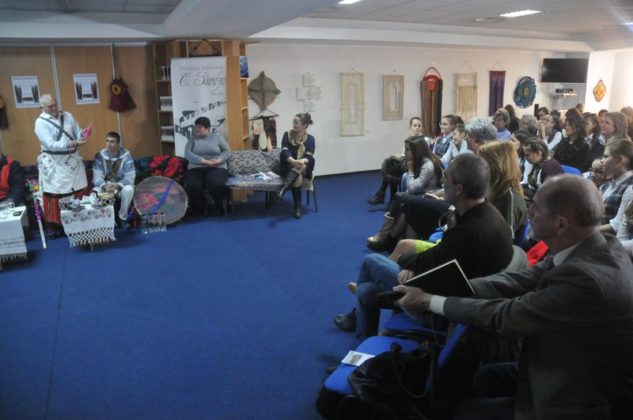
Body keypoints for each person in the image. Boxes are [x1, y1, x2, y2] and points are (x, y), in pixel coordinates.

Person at [395, 175, 633, 420]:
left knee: (465, 412)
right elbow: (521, 279)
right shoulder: (597, 245)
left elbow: (506, 316)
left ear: (561, 224)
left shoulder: (585, 280)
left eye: (536, 207)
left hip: (580, 399)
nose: (529, 211)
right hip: (565, 364)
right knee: (484, 377)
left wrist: (430, 301)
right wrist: (445, 286)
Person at [334, 154, 513, 338]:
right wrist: (414, 266)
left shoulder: (469, 231)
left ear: (459, 189)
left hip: (443, 311)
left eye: (446, 177)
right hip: (455, 296)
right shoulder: (486, 213)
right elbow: (438, 259)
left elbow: (433, 260)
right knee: (366, 291)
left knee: (370, 262)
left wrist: (406, 262)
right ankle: (364, 345)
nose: (442, 181)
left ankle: (361, 325)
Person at [366, 136, 442, 252]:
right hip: (422, 195)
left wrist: (410, 171)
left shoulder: (427, 165)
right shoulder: (419, 161)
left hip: (431, 197)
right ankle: (390, 239)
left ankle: (386, 237)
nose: (405, 152)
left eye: (407, 149)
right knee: (404, 205)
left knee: (401, 199)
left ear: (416, 151)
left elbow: (412, 188)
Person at [34, 93, 91, 236]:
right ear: (42, 107)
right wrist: (73, 143)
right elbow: (50, 144)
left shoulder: (68, 116)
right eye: (50, 106)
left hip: (73, 160)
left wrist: (82, 135)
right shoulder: (40, 123)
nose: (54, 108)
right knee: (57, 193)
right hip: (55, 163)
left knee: (79, 189)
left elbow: (77, 132)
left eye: (55, 104)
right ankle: (59, 228)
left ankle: (80, 222)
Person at [367, 117, 423, 205]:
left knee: (391, 168)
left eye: (419, 126)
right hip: (406, 162)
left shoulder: (423, 140)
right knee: (390, 164)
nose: (417, 128)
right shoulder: (409, 138)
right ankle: (390, 197)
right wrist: (399, 156)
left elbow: (419, 157)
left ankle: (384, 195)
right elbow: (404, 154)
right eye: (415, 125)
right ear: (410, 127)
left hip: (415, 165)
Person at [184, 116, 231, 217]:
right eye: (196, 126)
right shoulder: (192, 138)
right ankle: (202, 206)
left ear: (208, 128)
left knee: (216, 183)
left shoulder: (217, 137)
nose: (196, 129)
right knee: (192, 185)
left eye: (199, 127)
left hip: (216, 166)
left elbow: (227, 152)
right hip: (196, 167)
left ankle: (219, 206)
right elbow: (188, 153)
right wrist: (203, 161)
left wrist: (219, 160)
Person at [92, 132, 136, 224]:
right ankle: (101, 220)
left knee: (129, 189)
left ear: (118, 144)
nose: (109, 144)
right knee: (95, 192)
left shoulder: (126, 155)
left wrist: (118, 185)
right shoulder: (100, 155)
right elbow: (97, 176)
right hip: (105, 185)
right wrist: (104, 185)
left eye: (112, 142)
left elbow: (130, 176)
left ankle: (122, 217)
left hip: (120, 186)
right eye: (107, 141)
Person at [278, 113, 315, 219]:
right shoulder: (287, 135)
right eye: (293, 122)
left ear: (304, 125)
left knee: (304, 165)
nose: (293, 125)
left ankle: (283, 189)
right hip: (288, 165)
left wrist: (301, 161)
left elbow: (309, 156)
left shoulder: (310, 139)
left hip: (303, 166)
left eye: (296, 123)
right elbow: (284, 152)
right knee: (298, 177)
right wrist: (294, 162)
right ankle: (297, 207)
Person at [599, 138, 633, 227]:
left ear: (619, 160)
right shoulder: (606, 185)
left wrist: (585, 231)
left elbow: (617, 225)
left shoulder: (630, 187)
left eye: (606, 156)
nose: (601, 160)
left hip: (608, 235)